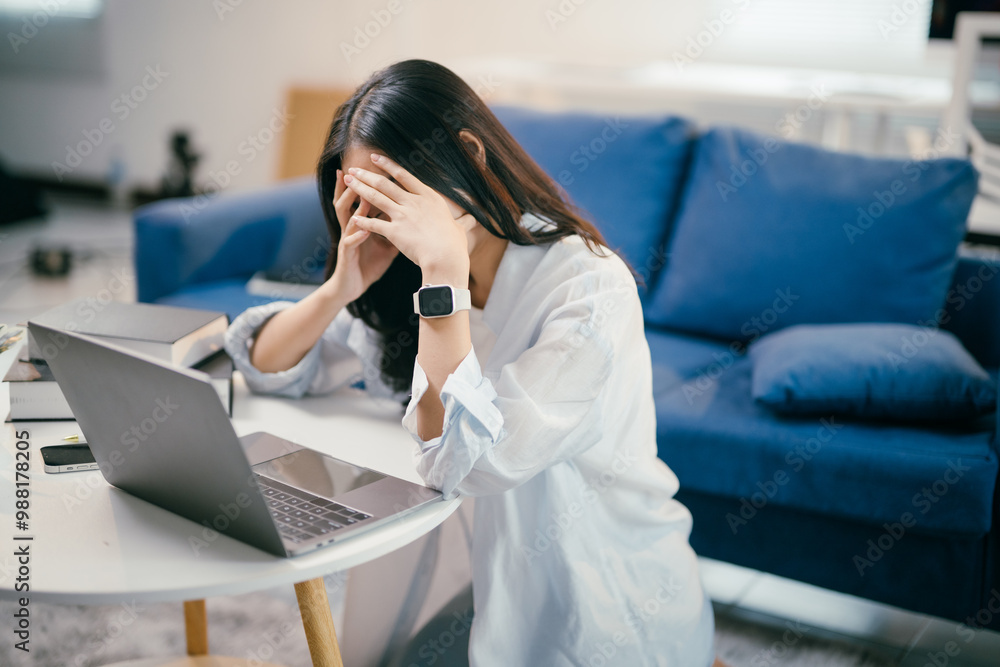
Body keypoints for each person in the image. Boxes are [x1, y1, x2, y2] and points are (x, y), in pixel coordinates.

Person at [225, 59, 723, 667]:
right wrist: (339, 287)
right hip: (474, 568)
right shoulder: (402, 272)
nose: (380, 218)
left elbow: (470, 460)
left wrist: (444, 276)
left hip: (595, 596)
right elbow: (270, 367)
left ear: (470, 154)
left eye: (394, 193)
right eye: (361, 199)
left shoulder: (588, 290)